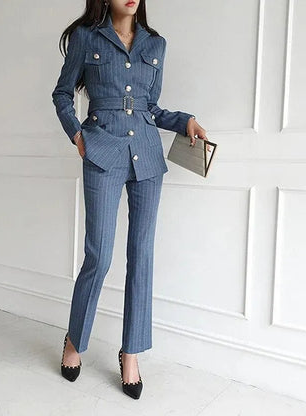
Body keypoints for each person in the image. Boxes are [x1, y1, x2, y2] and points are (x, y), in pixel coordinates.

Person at [51, 0, 208, 400]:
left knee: (141, 256)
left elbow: (150, 107)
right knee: (99, 255)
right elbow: (62, 94)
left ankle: (131, 353)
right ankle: (75, 340)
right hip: (102, 150)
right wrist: (78, 136)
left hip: (147, 156)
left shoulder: (156, 44)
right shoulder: (86, 38)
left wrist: (185, 120)